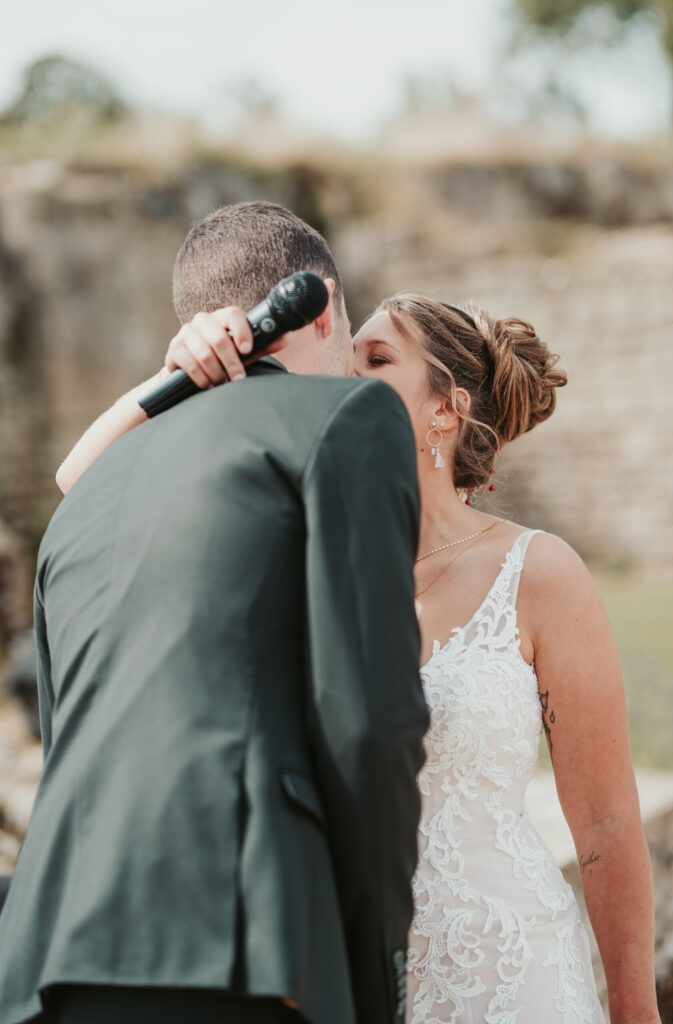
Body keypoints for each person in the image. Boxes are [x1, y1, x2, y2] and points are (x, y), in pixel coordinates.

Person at [55, 212, 660, 1023]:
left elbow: (607, 825)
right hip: (346, 977)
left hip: (509, 974)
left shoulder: (538, 572)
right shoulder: (300, 548)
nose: (343, 371)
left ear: (445, 409)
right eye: (346, 352)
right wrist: (184, 370)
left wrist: (633, 1008)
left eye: (375, 359)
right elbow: (80, 480)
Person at [0, 202, 430, 1024]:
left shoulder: (82, 501)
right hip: (243, 950)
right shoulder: (346, 418)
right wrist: (378, 970)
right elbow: (368, 724)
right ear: (324, 302)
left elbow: (65, 741)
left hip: (38, 962)